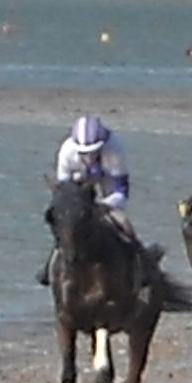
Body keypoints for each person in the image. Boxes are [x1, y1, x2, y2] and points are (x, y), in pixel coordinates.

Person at [44, 111, 133, 282]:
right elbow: (65, 192)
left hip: (107, 185)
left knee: (124, 223)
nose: (89, 157)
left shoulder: (114, 149)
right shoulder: (67, 151)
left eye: (94, 152)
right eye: (84, 153)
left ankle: (140, 265)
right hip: (77, 187)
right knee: (66, 227)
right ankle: (50, 265)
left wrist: (104, 205)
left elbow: (121, 191)